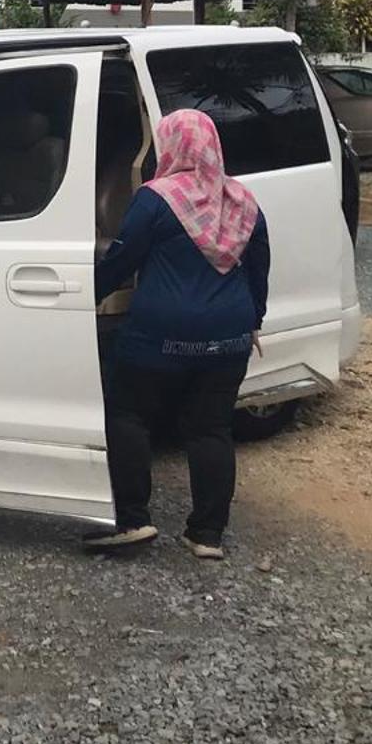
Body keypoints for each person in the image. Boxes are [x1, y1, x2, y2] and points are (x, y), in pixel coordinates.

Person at [85, 108, 270, 560]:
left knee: (128, 415)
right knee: (211, 429)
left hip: (160, 336)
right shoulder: (245, 201)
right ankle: (206, 534)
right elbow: (260, 271)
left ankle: (133, 519)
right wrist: (253, 322)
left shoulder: (156, 198)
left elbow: (123, 259)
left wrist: (84, 297)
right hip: (229, 338)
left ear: (171, 146)